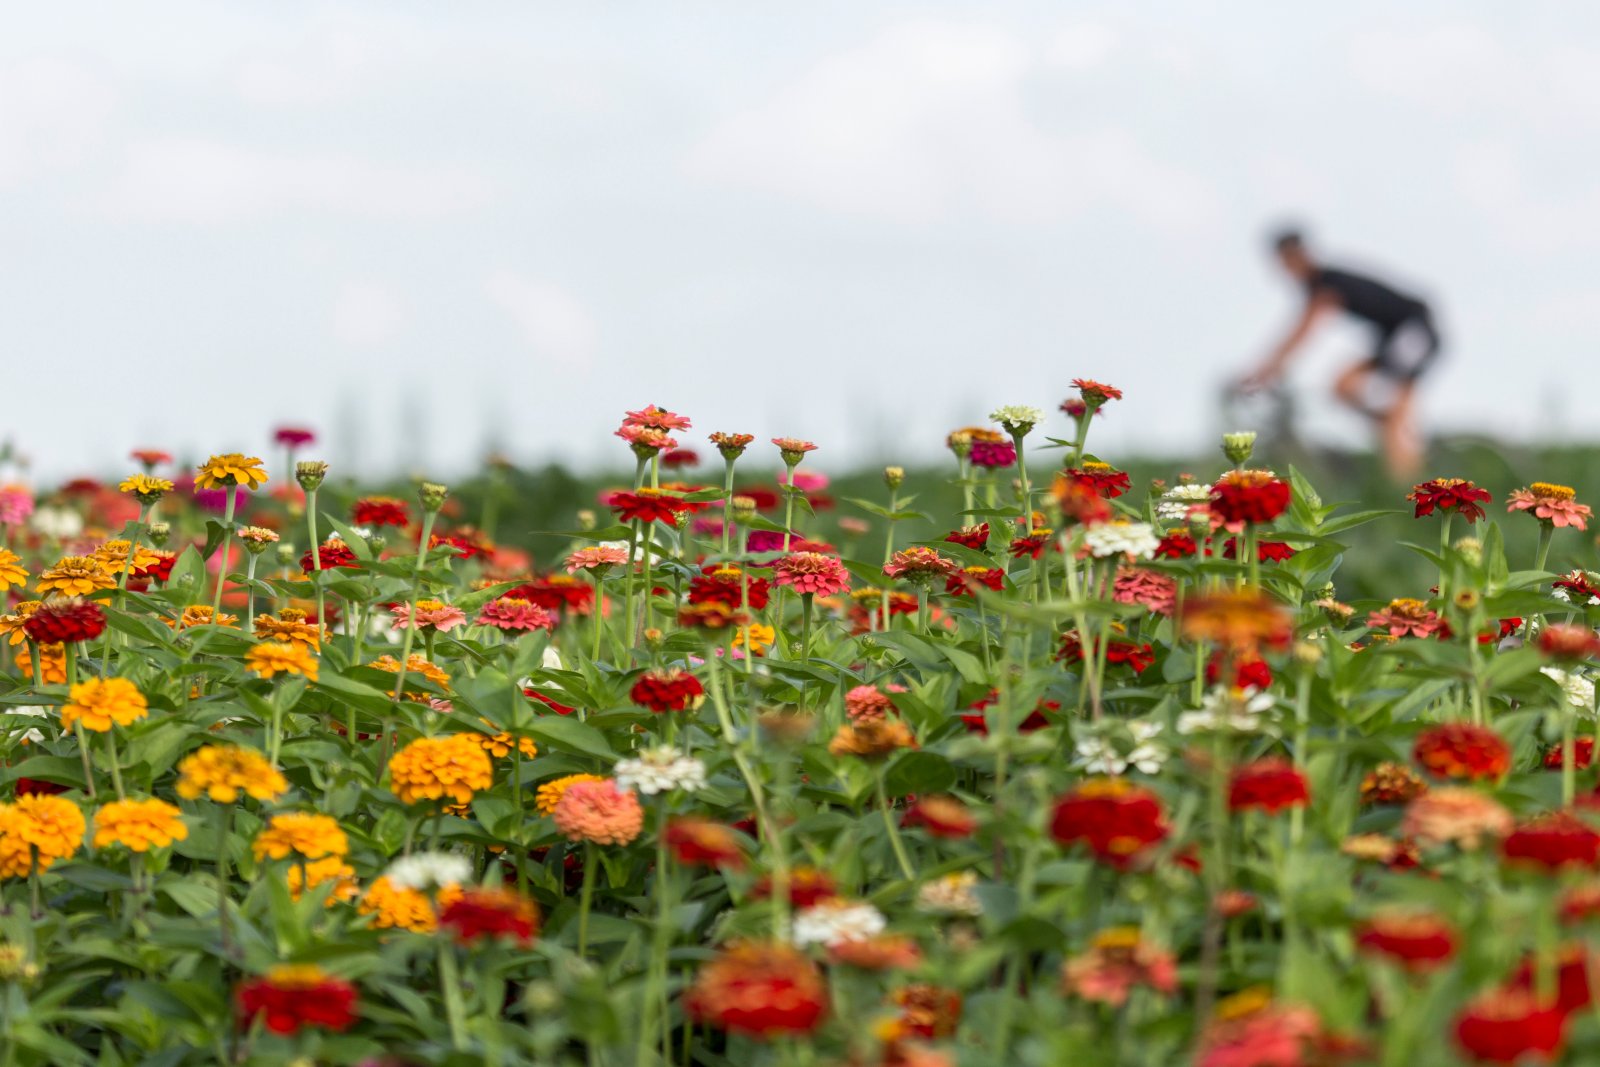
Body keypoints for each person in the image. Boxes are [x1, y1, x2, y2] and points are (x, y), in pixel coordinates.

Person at [1239, 229, 1440, 479]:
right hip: (1390, 339)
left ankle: (1411, 484)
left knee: (1399, 403)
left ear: (1299, 256)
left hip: (1414, 331)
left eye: (1287, 262)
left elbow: (1303, 331)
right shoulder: (1319, 286)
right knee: (1342, 386)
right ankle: (1394, 432)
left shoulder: (1327, 284)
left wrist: (1266, 370)